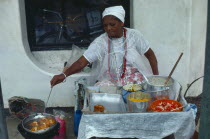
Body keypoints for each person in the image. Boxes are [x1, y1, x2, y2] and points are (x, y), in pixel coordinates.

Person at [50, 5, 159, 87]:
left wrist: (156, 78)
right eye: (105, 25)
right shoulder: (101, 42)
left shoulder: (134, 36)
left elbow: (150, 55)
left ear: (122, 22)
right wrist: (64, 75)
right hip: (111, 80)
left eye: (112, 24)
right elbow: (82, 62)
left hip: (134, 78)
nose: (108, 28)